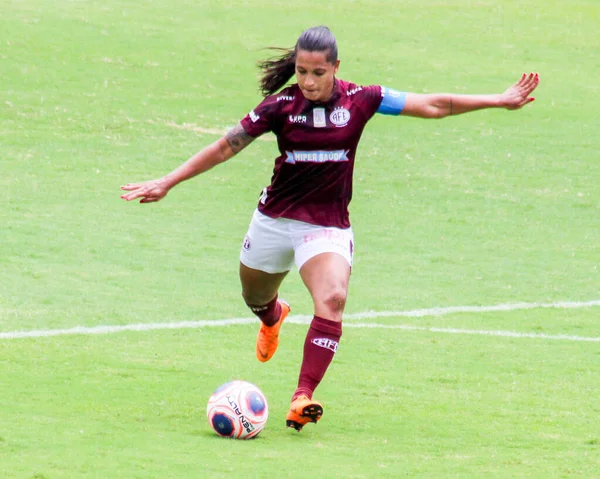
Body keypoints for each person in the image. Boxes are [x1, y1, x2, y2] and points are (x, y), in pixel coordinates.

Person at [121, 25, 539, 432]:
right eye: (301, 71)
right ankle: (272, 316)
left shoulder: (363, 99)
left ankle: (302, 397)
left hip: (325, 228)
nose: (307, 80)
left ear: (336, 67)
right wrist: (167, 181)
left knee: (334, 297)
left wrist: (498, 100)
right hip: (274, 221)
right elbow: (225, 146)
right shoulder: (279, 108)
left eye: (318, 72)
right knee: (254, 296)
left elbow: (432, 104)